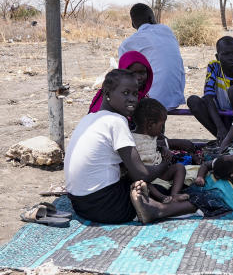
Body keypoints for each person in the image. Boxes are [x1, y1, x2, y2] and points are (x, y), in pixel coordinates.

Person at [64, 69, 196, 225]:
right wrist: (165, 163)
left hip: (80, 204)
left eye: (135, 94)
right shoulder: (116, 121)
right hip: (108, 207)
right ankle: (159, 209)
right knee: (164, 188)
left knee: (137, 184)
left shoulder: (89, 119)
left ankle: (153, 206)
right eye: (125, 93)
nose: (132, 99)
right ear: (107, 93)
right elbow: (143, 174)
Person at [186, 36, 233, 140]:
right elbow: (208, 96)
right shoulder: (214, 67)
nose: (232, 57)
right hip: (221, 118)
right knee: (193, 101)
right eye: (226, 54)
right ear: (217, 57)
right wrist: (220, 127)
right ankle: (224, 138)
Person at [118, 3, 186, 109]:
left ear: (132, 24)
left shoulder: (127, 44)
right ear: (151, 18)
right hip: (175, 97)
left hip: (152, 100)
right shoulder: (167, 31)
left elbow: (123, 75)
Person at [131, 98, 192, 203]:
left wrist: (162, 148)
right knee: (140, 181)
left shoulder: (152, 135)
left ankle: (174, 194)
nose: (162, 129)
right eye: (161, 125)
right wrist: (164, 162)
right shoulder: (132, 139)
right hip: (146, 176)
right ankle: (162, 197)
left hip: (160, 173)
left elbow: (155, 145)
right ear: (150, 125)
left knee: (179, 168)